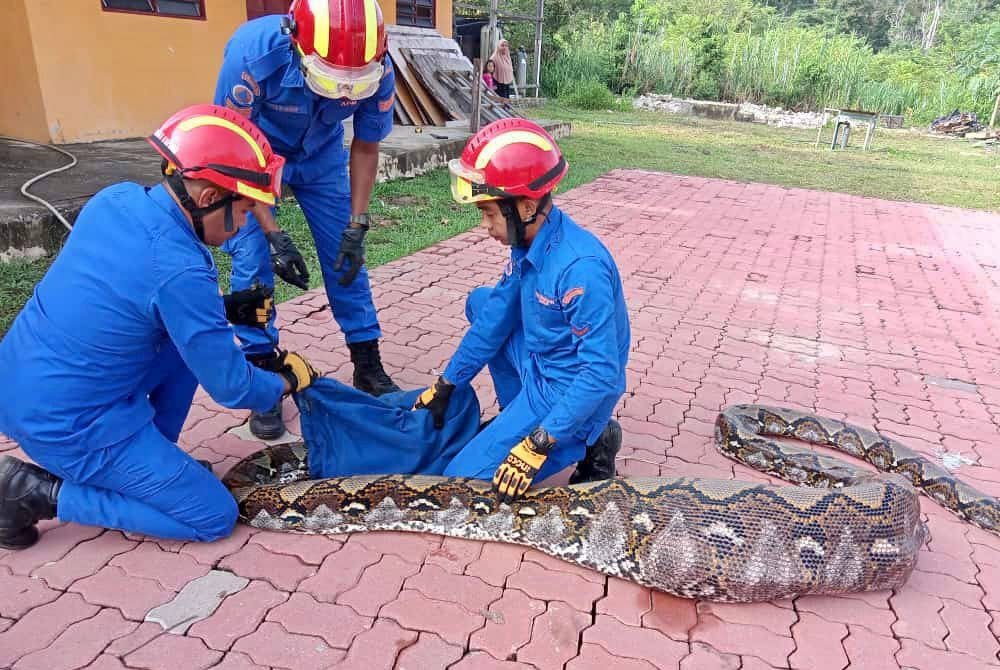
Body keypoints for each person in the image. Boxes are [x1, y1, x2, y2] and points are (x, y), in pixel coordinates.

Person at [0, 105, 320, 549]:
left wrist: (226, 309)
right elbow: (232, 389)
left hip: (26, 382)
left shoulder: (118, 198)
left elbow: (123, 297)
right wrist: (286, 381)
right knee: (212, 516)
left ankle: (149, 467)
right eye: (245, 210)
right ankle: (39, 494)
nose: (245, 223)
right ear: (209, 198)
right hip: (67, 425)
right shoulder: (180, 270)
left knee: (181, 347)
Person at [412, 118, 629, 503]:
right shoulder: (528, 242)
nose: (485, 226)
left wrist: (538, 443)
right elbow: (495, 316)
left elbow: (601, 373)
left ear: (527, 207)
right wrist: (447, 384)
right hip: (541, 364)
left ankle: (589, 440)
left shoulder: (580, 270)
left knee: (460, 482)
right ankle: (518, 417)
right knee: (481, 303)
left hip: (567, 389)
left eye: (491, 214)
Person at [214, 0, 401, 441]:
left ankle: (367, 363)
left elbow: (367, 147)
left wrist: (357, 223)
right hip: (256, 159)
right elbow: (236, 151)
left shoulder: (377, 64)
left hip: (321, 159)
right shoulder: (250, 57)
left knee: (346, 257)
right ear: (299, 44)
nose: (341, 94)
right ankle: (262, 378)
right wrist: (274, 233)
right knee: (252, 262)